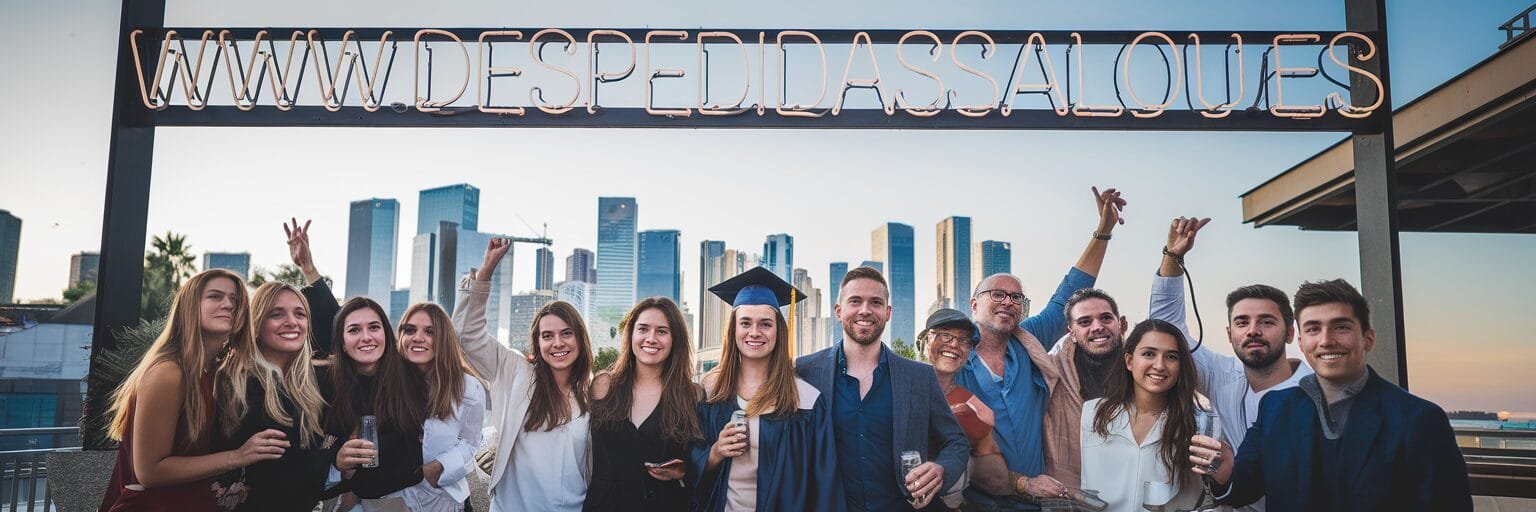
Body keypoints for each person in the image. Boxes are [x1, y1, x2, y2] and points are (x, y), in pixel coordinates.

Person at [1190, 279, 1473, 511]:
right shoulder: (1275, 408)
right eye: (1313, 329)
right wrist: (1224, 469)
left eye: (1340, 327)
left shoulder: (1420, 419)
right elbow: (1243, 488)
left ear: (1368, 338)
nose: (1326, 340)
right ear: (1301, 342)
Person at [956, 186, 1124, 509]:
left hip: (1038, 503)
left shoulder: (1027, 341)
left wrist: (1103, 232)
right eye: (998, 294)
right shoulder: (955, 361)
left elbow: (1070, 291)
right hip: (979, 503)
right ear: (974, 305)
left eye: (1016, 297)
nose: (1008, 301)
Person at [1147, 217, 1311, 512]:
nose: (1253, 331)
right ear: (1229, 333)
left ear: (1289, 333)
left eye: (1266, 321)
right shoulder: (1223, 376)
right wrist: (1173, 258)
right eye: (1242, 322)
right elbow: (1167, 329)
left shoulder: (1317, 392)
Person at [1032, 216, 1207, 491]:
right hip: (1071, 495)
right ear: (1071, 332)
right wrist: (1102, 231)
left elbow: (1167, 313)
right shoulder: (1052, 374)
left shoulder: (1147, 367)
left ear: (1121, 323)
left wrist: (1172, 257)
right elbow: (1061, 295)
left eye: (1105, 318)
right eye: (1085, 322)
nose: (1097, 327)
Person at [100, 269, 288, 512]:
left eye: (235, 299)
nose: (228, 304)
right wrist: (238, 456)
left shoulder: (213, 372)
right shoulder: (169, 372)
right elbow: (149, 472)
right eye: (215, 296)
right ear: (190, 306)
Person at [795, 266, 968, 511]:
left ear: (887, 313)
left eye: (875, 302)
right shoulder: (805, 371)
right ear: (838, 311)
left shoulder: (919, 376)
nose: (865, 310)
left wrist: (942, 468)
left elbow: (956, 442)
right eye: (855, 301)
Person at [454, 238, 594, 512]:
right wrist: (486, 273)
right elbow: (465, 335)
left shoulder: (594, 394)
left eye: (567, 333)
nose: (558, 343)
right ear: (537, 343)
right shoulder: (516, 372)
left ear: (580, 338)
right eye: (547, 336)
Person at [692, 266, 844, 511]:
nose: (755, 332)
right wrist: (715, 452)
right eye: (745, 323)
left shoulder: (804, 399)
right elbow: (689, 463)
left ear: (778, 331)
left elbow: (825, 484)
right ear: (733, 330)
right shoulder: (709, 392)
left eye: (765, 324)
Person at [211, 281, 333, 511]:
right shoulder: (239, 381)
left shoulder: (310, 381)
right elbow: (291, 467)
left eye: (300, 314)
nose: (292, 322)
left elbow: (342, 329)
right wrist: (335, 454)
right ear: (256, 323)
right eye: (277, 314)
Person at [586, 297, 702, 512]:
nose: (651, 338)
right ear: (631, 334)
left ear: (675, 338)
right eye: (643, 329)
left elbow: (702, 458)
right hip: (606, 505)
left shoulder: (692, 395)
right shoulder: (604, 385)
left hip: (667, 504)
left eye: (662, 331)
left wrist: (686, 470)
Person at [1079, 320, 1202, 512]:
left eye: (1171, 356)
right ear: (1129, 361)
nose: (1160, 365)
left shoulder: (1195, 421)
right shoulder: (1092, 413)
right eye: (1149, 354)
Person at [373, 302, 486, 511]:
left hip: (445, 500)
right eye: (410, 330)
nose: (418, 337)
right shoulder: (384, 381)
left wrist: (439, 468)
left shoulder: (468, 387)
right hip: (393, 500)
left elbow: (471, 441)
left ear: (443, 338)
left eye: (429, 331)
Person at [326, 297, 430, 508]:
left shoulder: (412, 376)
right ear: (342, 343)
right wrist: (337, 464)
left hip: (406, 500)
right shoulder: (326, 383)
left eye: (374, 327)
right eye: (354, 330)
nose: (366, 337)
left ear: (386, 334)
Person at [919, 308, 1004, 510]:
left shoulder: (973, 406)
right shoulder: (897, 386)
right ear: (924, 342)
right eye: (944, 335)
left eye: (964, 340)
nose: (955, 344)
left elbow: (997, 478)